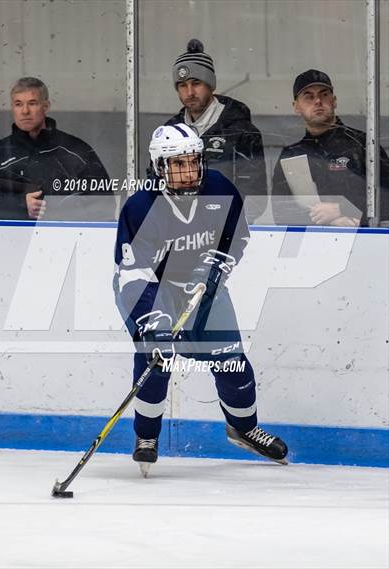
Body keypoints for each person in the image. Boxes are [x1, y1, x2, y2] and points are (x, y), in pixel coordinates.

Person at [114, 123, 288, 476]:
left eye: (193, 161)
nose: (188, 171)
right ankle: (146, 437)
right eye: (178, 164)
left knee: (232, 362)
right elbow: (132, 275)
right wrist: (152, 323)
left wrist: (215, 270)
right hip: (155, 290)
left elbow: (235, 238)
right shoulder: (141, 206)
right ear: (159, 166)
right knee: (156, 360)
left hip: (205, 288)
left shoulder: (220, 189)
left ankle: (243, 427)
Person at [0, 76, 115, 220]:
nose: (25, 111)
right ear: (12, 107)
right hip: (7, 241)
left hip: (66, 240)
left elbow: (105, 205)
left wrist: (54, 211)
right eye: (18, 104)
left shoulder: (76, 151)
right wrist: (20, 206)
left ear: (46, 106)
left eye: (32, 103)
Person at [165, 39, 268, 224]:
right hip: (179, 230)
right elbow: (155, 187)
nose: (189, 92)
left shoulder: (241, 130)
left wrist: (218, 221)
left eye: (196, 83)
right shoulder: (168, 132)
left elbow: (255, 198)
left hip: (228, 230)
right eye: (182, 85)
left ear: (210, 84)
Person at [271, 69, 389, 226]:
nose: (318, 101)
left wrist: (343, 209)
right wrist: (333, 222)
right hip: (309, 246)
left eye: (324, 94)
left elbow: (386, 199)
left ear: (334, 100)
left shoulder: (363, 145)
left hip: (362, 243)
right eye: (309, 96)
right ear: (296, 106)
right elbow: (280, 212)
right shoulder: (292, 155)